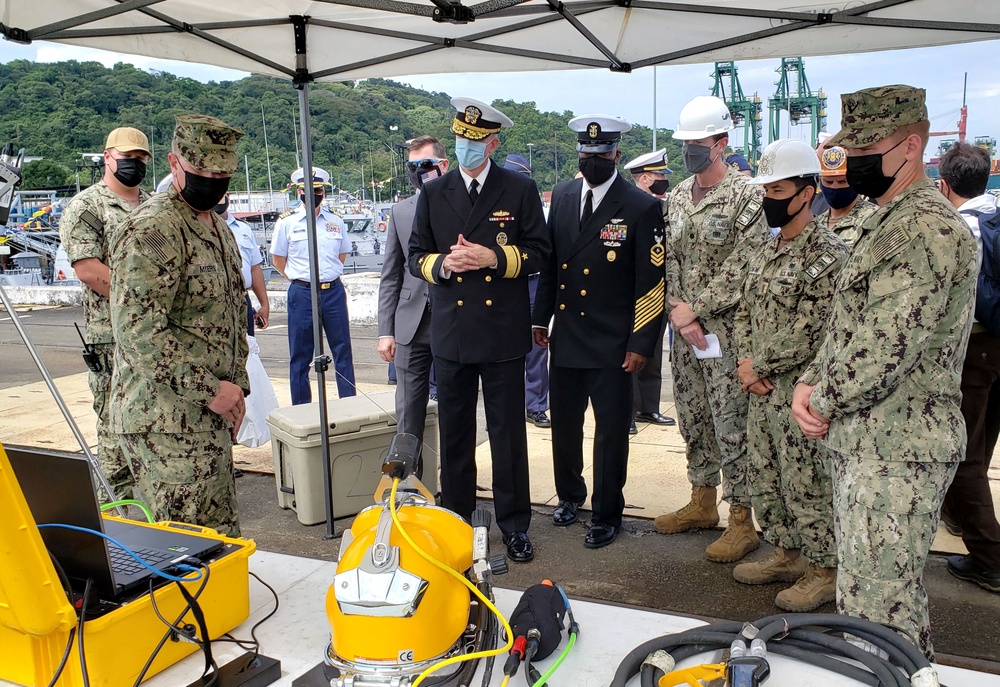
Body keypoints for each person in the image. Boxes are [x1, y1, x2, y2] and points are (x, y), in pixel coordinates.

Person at [792, 85, 977, 658]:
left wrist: (820, 397)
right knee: (866, 600)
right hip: (872, 440)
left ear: (912, 146)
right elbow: (851, 321)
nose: (856, 159)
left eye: (870, 146)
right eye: (853, 146)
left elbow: (884, 347)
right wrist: (809, 381)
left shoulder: (923, 227)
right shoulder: (886, 217)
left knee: (882, 609)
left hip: (901, 445)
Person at [408, 97, 550, 562]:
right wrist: (445, 264)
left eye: (474, 140)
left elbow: (539, 253)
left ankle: (514, 524)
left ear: (492, 142)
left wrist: (493, 258)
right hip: (452, 332)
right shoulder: (434, 192)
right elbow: (415, 257)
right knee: (455, 434)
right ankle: (456, 520)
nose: (465, 147)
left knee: (508, 434)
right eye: (459, 139)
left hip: (501, 332)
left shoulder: (518, 189)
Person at [108, 114, 248, 536]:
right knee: (181, 551)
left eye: (221, 173)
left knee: (217, 543)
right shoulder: (154, 228)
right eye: (201, 171)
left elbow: (229, 315)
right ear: (174, 164)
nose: (212, 180)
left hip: (207, 417)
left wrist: (237, 388)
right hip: (165, 422)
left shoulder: (217, 228)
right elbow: (138, 332)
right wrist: (212, 390)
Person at [533, 116, 665, 549]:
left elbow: (651, 283)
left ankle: (608, 513)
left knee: (610, 433)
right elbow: (552, 265)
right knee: (565, 428)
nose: (592, 161)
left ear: (616, 156)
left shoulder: (641, 206)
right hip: (568, 335)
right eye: (585, 155)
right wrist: (540, 317)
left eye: (600, 155)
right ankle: (570, 496)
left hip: (614, 342)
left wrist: (641, 342)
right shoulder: (567, 195)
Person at [733, 139, 848, 611]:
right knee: (767, 476)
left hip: (799, 394)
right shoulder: (766, 248)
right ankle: (787, 552)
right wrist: (745, 364)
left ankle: (824, 569)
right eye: (765, 189)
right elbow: (744, 311)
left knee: (808, 482)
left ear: (806, 192)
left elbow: (813, 329)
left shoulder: (827, 253)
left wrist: (757, 366)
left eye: (777, 189)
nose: (768, 199)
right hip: (760, 392)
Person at [654, 95, 767, 564]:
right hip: (686, 335)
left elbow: (747, 264)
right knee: (694, 417)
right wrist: (679, 313)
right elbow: (671, 260)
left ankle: (742, 519)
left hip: (728, 333)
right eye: (684, 144)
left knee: (731, 425)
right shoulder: (679, 195)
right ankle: (702, 502)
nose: (689, 152)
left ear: (721, 142)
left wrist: (695, 309)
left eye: (697, 143)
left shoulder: (748, 196)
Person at [59, 126, 151, 499]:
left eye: (141, 158)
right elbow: (89, 269)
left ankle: (153, 515)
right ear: (107, 157)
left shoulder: (152, 204)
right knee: (116, 429)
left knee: (153, 424)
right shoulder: (87, 206)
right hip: (112, 336)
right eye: (127, 157)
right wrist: (145, 300)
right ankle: (115, 519)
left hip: (154, 335)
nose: (134, 164)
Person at [936, 141, 1000, 593]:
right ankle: (959, 517)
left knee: (963, 456)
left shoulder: (960, 228)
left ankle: (991, 558)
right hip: (998, 348)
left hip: (973, 351)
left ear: (944, 184)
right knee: (984, 440)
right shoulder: (996, 212)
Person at [378, 135, 448, 466]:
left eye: (425, 164)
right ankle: (407, 484)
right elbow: (391, 274)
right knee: (408, 413)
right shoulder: (400, 211)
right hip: (410, 324)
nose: (419, 171)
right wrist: (385, 330)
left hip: (453, 320)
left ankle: (454, 486)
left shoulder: (460, 204)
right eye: (413, 166)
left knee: (454, 411)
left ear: (443, 165)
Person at [270, 167, 356, 404]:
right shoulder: (286, 223)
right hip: (302, 293)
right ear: (298, 192)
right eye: (307, 189)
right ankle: (301, 408)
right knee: (300, 354)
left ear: (323, 193)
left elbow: (341, 255)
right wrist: (299, 280)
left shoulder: (335, 222)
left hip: (333, 292)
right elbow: (278, 259)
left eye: (317, 190)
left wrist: (324, 277)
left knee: (342, 352)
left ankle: (349, 403)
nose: (313, 194)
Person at [623, 148, 677, 433]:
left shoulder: (663, 205)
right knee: (632, 352)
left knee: (654, 350)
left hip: (659, 289)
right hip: (634, 291)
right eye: (659, 175)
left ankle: (649, 407)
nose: (663, 180)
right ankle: (628, 412)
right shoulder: (629, 206)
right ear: (644, 179)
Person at [504, 153, 552, 429]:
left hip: (533, 281)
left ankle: (535, 406)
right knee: (503, 350)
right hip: (505, 283)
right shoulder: (494, 206)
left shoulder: (540, 210)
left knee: (536, 349)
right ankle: (508, 406)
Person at [215, 192, 270, 335]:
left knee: (247, 351)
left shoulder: (243, 229)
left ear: (227, 195)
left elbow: (254, 268)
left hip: (242, 299)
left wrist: (264, 304)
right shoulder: (197, 227)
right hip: (214, 301)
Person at [814, 142, 876, 252]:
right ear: (820, 181)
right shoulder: (815, 224)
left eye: (842, 181)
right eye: (828, 182)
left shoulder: (873, 219)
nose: (835, 187)